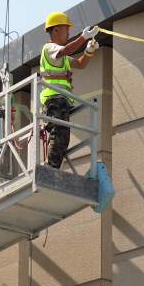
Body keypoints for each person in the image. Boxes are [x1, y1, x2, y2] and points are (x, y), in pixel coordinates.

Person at [40, 12, 100, 169]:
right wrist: (83, 38)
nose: (69, 33)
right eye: (66, 29)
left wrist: (89, 51)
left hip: (62, 99)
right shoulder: (50, 48)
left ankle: (53, 167)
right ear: (55, 30)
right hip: (53, 98)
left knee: (62, 136)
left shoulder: (63, 58)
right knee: (59, 133)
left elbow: (80, 64)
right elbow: (64, 51)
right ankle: (51, 167)